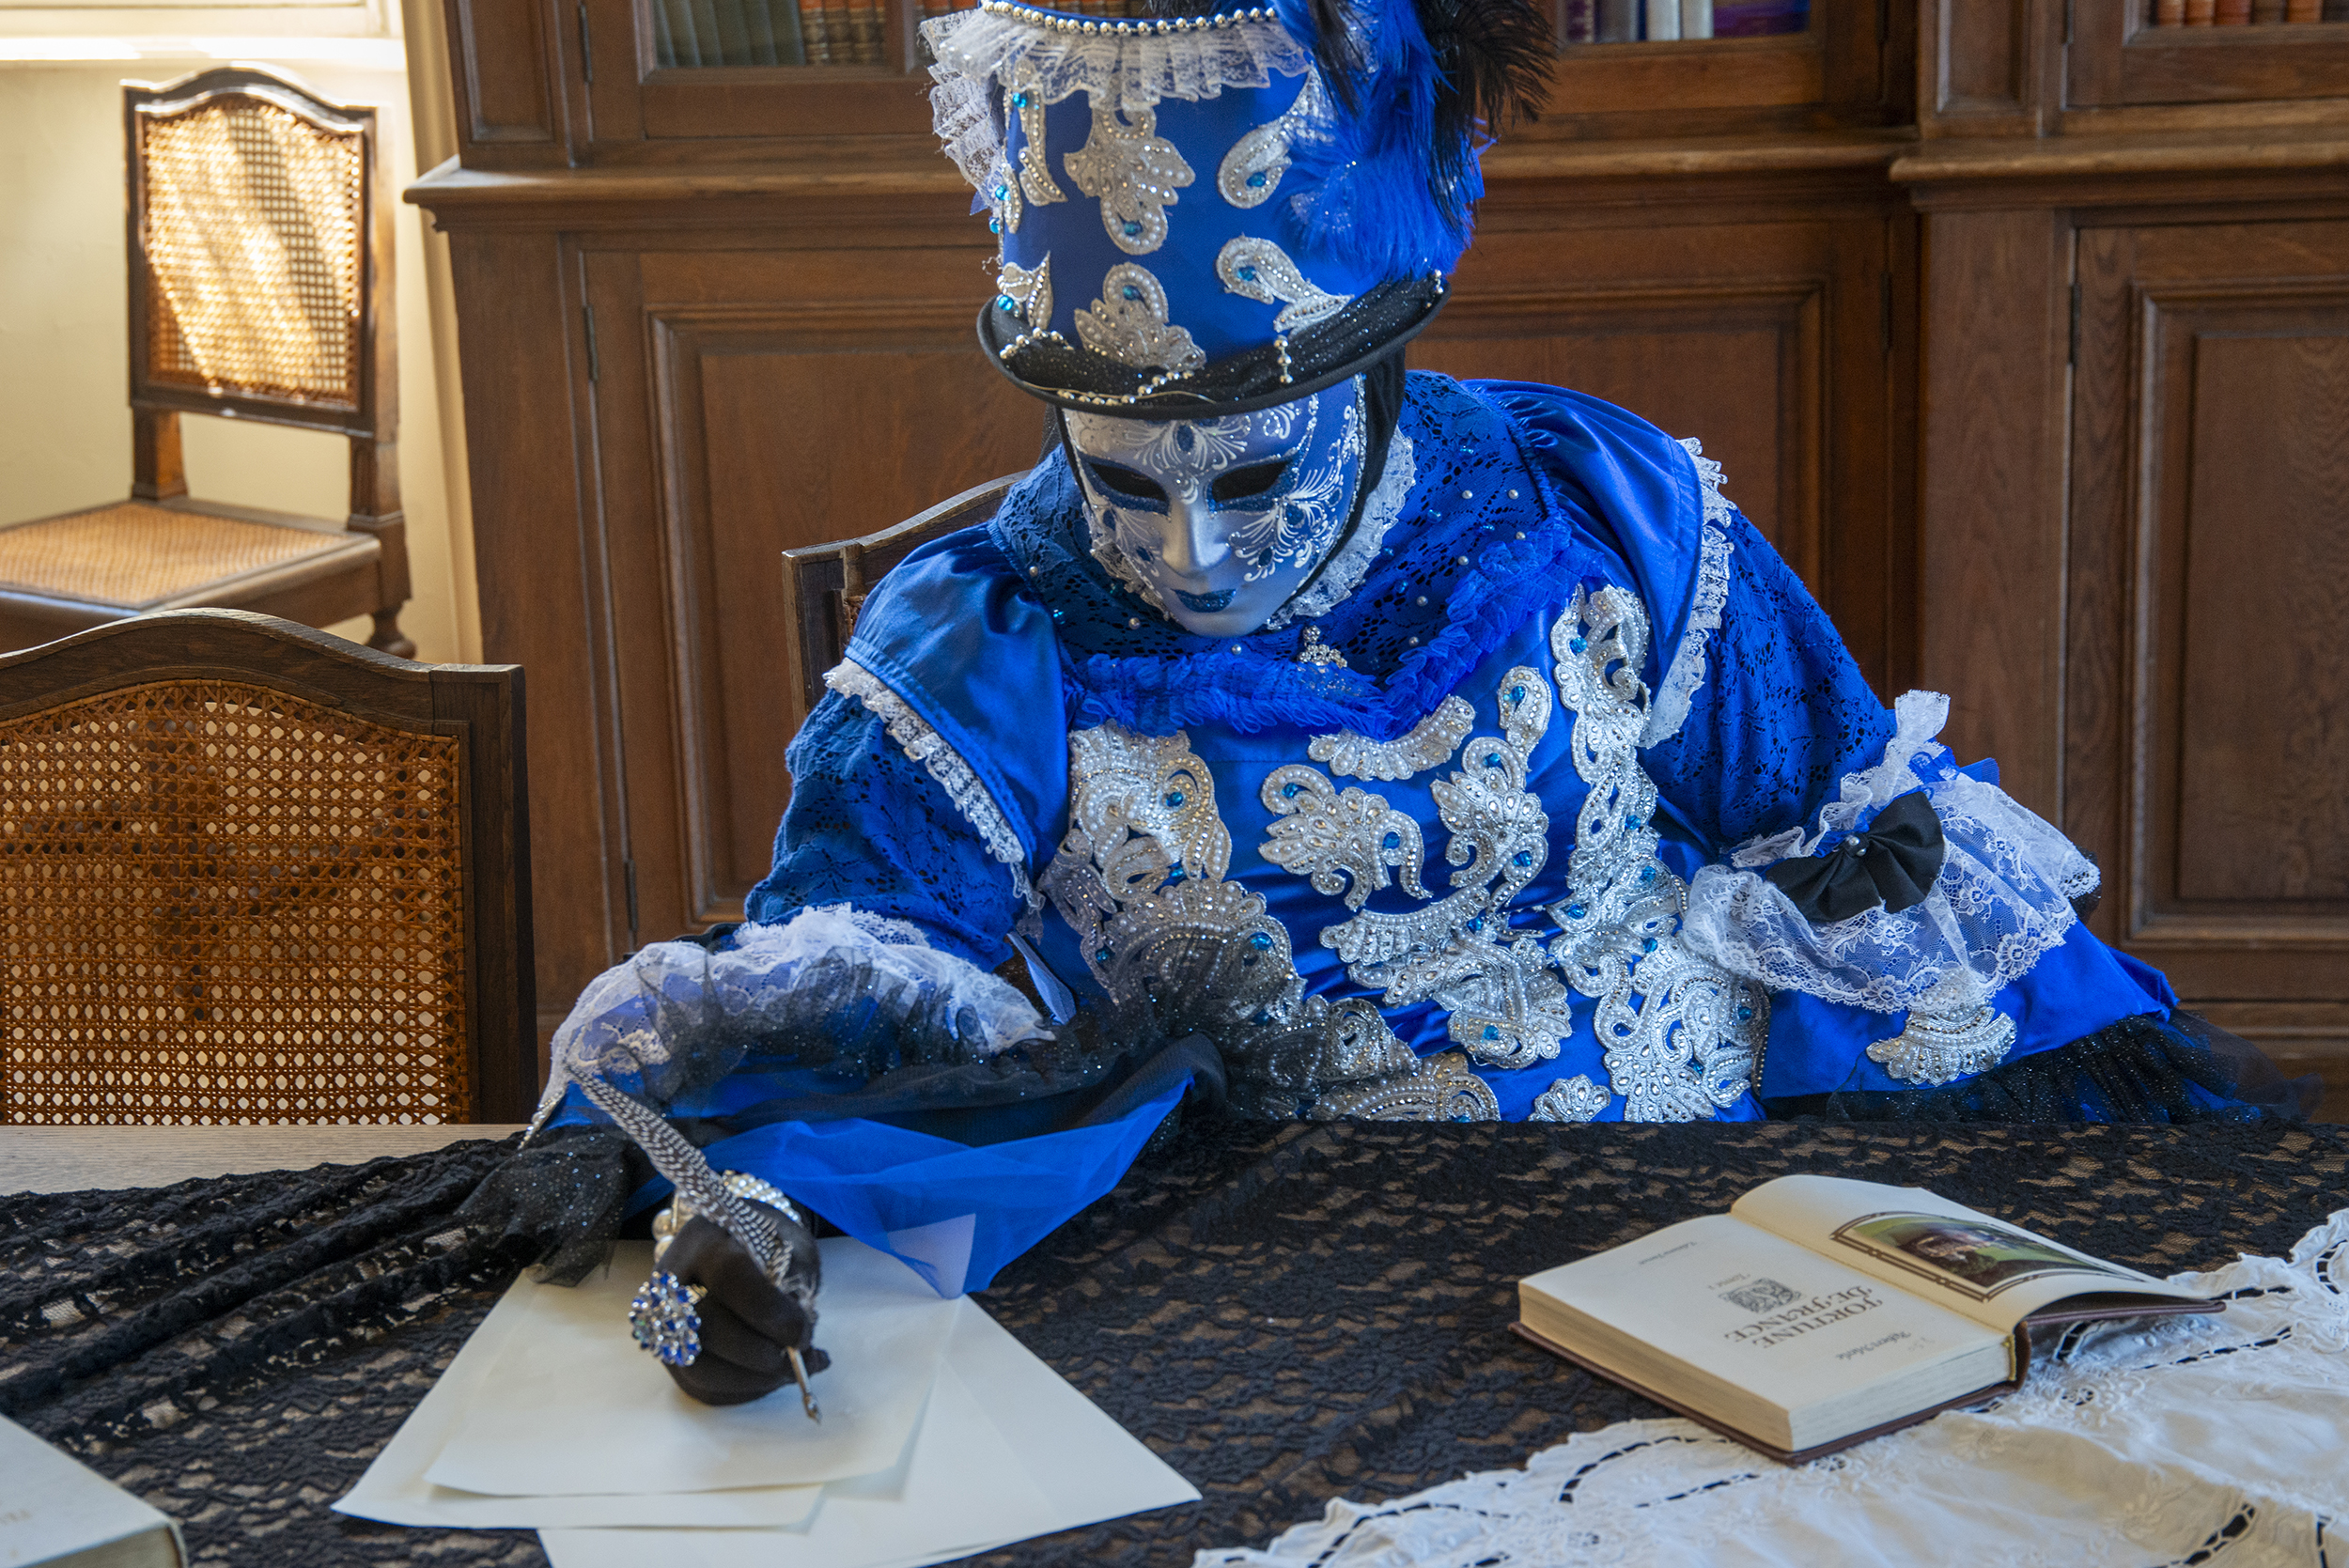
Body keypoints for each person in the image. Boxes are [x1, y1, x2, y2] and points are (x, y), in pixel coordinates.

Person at [461, 0, 2310, 1407]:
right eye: (1124, 482)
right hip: (1274, 1300)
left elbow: (1846, 839)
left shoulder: (1587, 506)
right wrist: (742, 1218)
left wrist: (2088, 1182)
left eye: (1254, 477)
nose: (1187, 548)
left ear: (1371, 375)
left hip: (1716, 1236)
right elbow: (845, 989)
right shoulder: (985, 634)